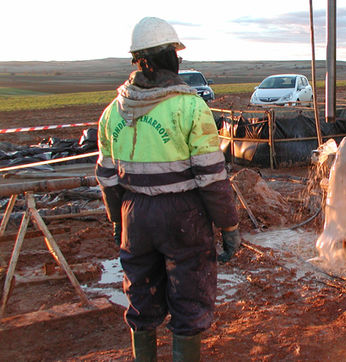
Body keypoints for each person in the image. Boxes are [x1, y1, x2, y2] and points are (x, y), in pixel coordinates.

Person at [95, 17, 240, 361]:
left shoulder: (113, 112)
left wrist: (118, 220)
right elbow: (211, 178)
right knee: (189, 302)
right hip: (182, 217)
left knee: (141, 298)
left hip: (134, 216)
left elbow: (106, 177)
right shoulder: (190, 107)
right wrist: (229, 225)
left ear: (140, 60)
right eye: (175, 52)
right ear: (168, 57)